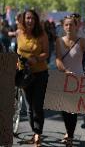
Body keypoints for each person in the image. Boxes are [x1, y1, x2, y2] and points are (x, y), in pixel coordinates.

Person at [55, 14, 85, 147]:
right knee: (64, 110)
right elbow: (58, 59)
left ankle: (70, 136)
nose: (69, 27)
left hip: (78, 79)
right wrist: (64, 71)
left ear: (76, 26)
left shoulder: (81, 41)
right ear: (63, 27)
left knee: (72, 110)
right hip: (64, 78)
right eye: (66, 24)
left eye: (71, 24)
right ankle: (68, 132)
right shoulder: (59, 41)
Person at [17, 10, 49, 146]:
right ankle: (34, 131)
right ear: (24, 20)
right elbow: (17, 51)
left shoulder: (42, 34)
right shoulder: (19, 33)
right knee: (29, 106)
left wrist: (36, 58)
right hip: (24, 74)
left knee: (37, 105)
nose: (30, 20)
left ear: (36, 20)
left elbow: (46, 53)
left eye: (32, 18)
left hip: (40, 73)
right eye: (27, 18)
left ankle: (38, 134)